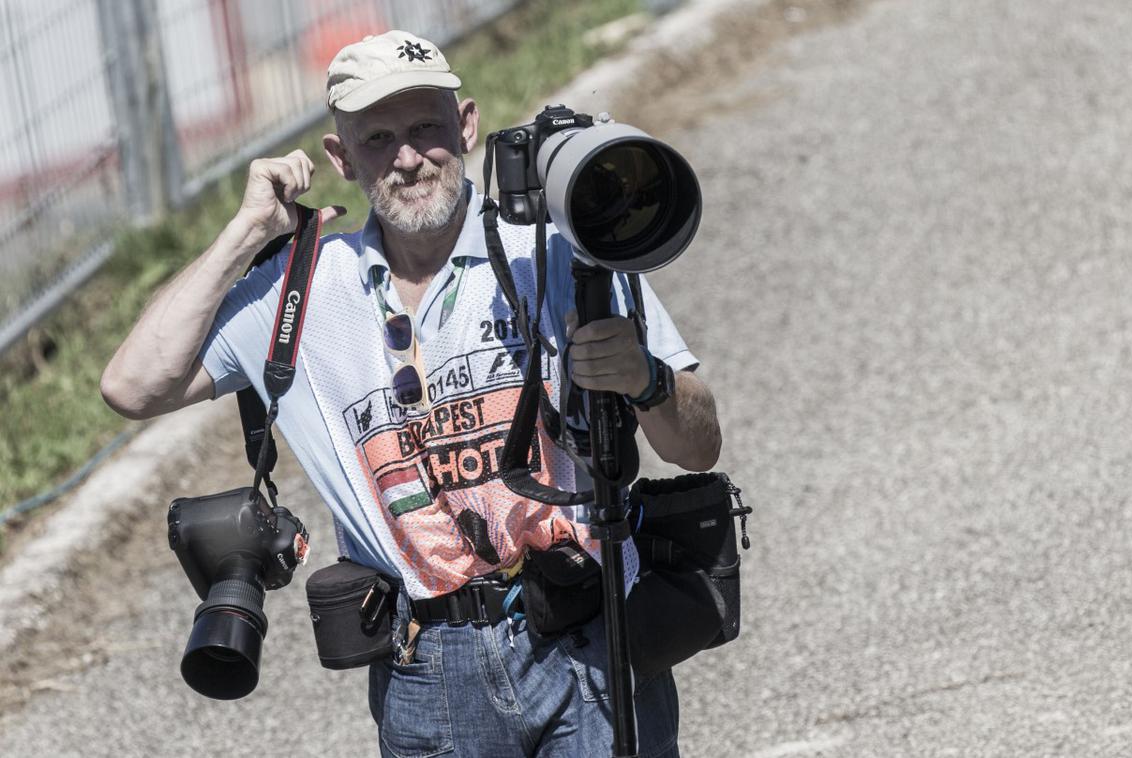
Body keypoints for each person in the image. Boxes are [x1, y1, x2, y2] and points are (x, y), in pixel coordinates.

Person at [101, 29, 721, 757]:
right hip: (428, 666)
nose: (407, 156)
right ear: (341, 159)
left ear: (465, 127)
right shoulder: (300, 290)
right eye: (376, 138)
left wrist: (644, 378)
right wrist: (245, 233)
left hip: (586, 631)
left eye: (426, 126)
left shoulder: (555, 251)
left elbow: (698, 443)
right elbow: (132, 385)